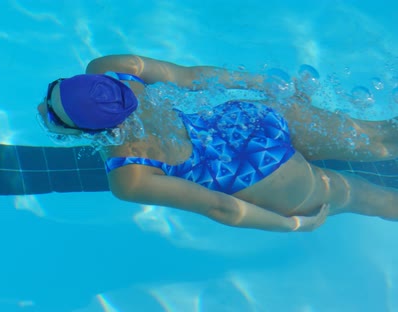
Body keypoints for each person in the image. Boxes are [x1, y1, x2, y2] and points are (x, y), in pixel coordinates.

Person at [36, 54, 398, 232]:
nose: (42, 107)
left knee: (372, 199)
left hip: (257, 175)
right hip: (251, 120)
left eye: (52, 112)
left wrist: (292, 225)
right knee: (381, 136)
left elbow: (221, 207)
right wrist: (264, 84)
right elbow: (194, 77)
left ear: (88, 133)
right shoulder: (113, 67)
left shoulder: (129, 176)